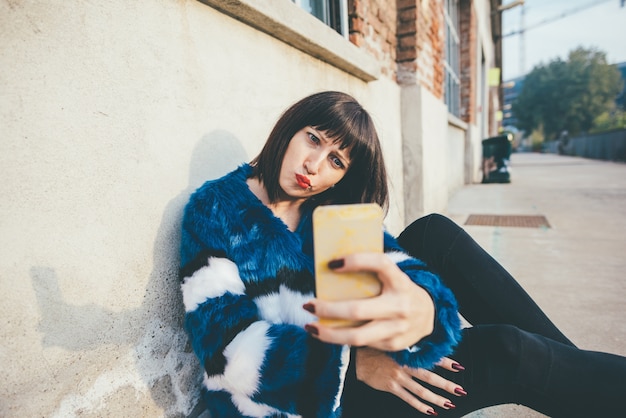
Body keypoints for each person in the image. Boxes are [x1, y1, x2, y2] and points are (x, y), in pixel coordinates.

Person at [179, 91, 626, 418]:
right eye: (313, 139)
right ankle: (586, 386)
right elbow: (227, 351)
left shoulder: (331, 212)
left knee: (433, 236)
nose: (314, 165)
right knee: (508, 352)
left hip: (351, 354)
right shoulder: (215, 208)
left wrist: (426, 311)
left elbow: (395, 263)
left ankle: (584, 387)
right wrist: (353, 365)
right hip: (293, 401)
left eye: (336, 161)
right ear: (289, 127)